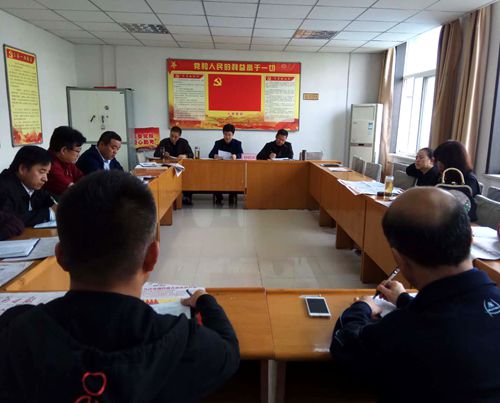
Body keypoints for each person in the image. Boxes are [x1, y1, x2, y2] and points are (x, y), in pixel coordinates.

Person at [0, 171, 240, 401]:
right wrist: (205, 300)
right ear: (152, 257)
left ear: (60, 257)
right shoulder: (182, 342)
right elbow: (228, 350)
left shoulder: (17, 333)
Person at [330, 187, 500, 402]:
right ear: (469, 240)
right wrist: (404, 300)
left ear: (399, 258)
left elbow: (345, 346)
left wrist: (361, 308)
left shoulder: (400, 333)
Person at [0, 145, 56, 227]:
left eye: (47, 173)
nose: (45, 179)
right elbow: (9, 221)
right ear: (23, 169)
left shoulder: (33, 184)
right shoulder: (4, 188)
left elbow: (51, 204)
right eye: (41, 172)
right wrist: (49, 213)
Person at [433, 140, 480, 221]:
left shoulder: (469, 180)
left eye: (440, 162)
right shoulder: (443, 175)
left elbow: (464, 208)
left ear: (450, 162)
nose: (438, 165)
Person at [154, 126, 194, 205]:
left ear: (179, 136)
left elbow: (191, 154)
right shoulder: (164, 142)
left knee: (189, 175)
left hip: (181, 168)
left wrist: (185, 155)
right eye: (171, 136)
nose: (173, 138)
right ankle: (166, 198)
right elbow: (155, 154)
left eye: (176, 137)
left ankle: (186, 197)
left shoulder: (184, 142)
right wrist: (163, 154)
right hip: (167, 167)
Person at [44, 126, 86, 197]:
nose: (78, 155)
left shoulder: (66, 162)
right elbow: (73, 191)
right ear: (64, 150)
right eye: (77, 151)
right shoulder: (49, 165)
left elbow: (84, 180)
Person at [208, 124, 243, 206]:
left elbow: (241, 155)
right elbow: (210, 154)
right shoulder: (218, 143)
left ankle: (232, 196)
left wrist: (236, 156)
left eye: (229, 135)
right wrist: (215, 156)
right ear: (223, 134)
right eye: (225, 134)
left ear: (233, 134)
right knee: (216, 176)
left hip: (233, 169)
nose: (227, 137)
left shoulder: (237, 143)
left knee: (234, 176)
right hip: (220, 169)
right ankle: (219, 197)